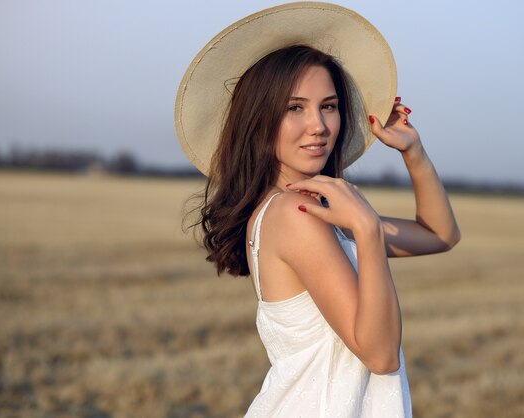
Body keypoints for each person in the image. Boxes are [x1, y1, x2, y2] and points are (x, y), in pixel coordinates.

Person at [175, 3, 460, 417]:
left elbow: (440, 235)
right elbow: (381, 356)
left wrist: (413, 152)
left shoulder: (311, 211)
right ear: (259, 120)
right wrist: (367, 229)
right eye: (295, 108)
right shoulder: (295, 215)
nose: (319, 126)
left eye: (328, 106)